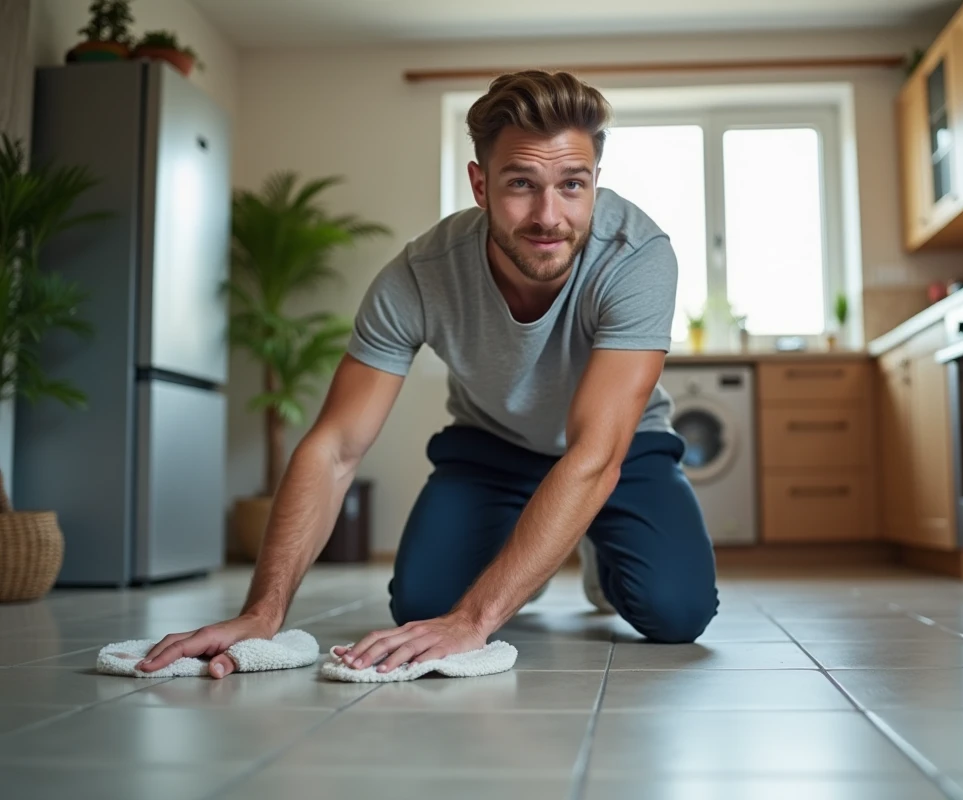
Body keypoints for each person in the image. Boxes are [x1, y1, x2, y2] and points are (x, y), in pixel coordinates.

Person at [137, 70, 719, 680]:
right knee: (422, 605)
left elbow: (596, 455)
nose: (549, 216)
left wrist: (473, 620)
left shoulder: (636, 255)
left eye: (572, 184)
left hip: (619, 450)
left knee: (675, 612)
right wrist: (262, 613)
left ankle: (583, 550)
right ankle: (528, 562)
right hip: (493, 445)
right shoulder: (420, 274)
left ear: (595, 181)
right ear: (480, 184)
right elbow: (335, 447)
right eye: (521, 184)